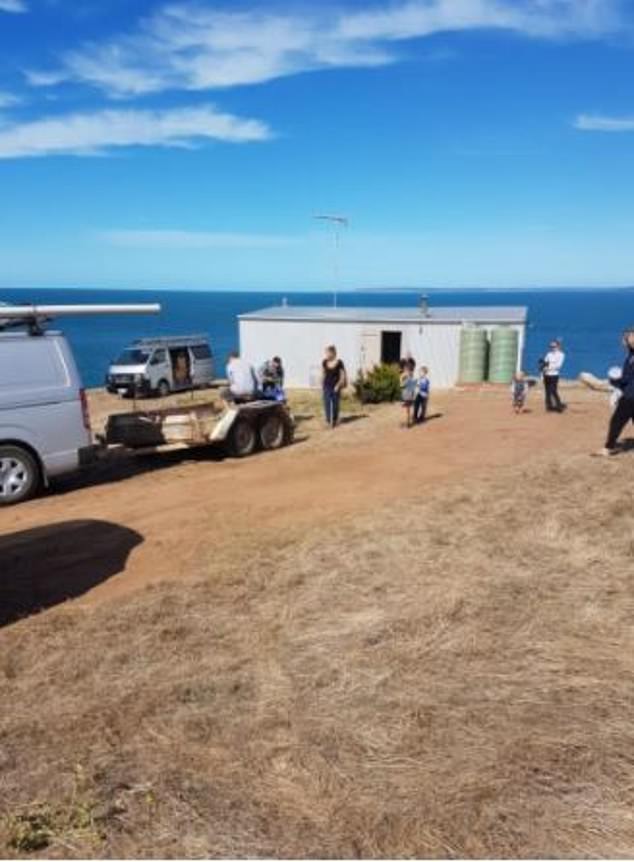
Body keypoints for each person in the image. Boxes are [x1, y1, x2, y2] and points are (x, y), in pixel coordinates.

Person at [595, 327, 634, 456]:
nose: (624, 340)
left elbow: (626, 379)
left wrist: (613, 382)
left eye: (626, 337)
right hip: (629, 393)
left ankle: (608, 448)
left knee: (616, 421)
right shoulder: (630, 355)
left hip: (630, 396)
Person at [322, 345, 346, 427]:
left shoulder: (339, 362)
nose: (326, 354)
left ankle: (335, 419)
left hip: (336, 385)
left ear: (333, 353)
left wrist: (338, 385)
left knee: (335, 404)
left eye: (328, 352)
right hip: (326, 386)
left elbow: (342, 375)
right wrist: (321, 384)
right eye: (326, 353)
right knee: (327, 403)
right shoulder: (324, 362)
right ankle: (329, 420)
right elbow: (323, 374)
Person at [541, 339, 566, 413]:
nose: (552, 348)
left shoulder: (561, 354)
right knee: (547, 391)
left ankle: (559, 406)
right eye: (551, 346)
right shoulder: (548, 354)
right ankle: (549, 406)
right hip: (547, 375)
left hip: (554, 375)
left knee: (553, 390)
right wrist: (543, 368)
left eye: (554, 346)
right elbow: (545, 362)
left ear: (558, 346)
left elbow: (558, 366)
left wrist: (548, 368)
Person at [400, 362, 416, 428]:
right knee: (408, 409)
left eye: (405, 369)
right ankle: (408, 422)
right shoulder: (411, 376)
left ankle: (407, 423)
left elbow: (401, 385)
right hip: (409, 394)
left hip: (406, 395)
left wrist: (401, 378)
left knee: (406, 409)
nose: (404, 370)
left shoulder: (406, 376)